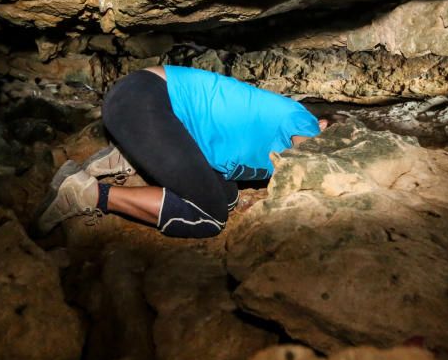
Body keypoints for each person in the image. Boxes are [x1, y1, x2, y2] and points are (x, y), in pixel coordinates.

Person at [35, 65, 328, 238]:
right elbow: (306, 163)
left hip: (140, 99)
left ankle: (131, 156)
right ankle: (87, 193)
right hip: (146, 103)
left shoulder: (283, 130)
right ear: (324, 123)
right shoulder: (306, 120)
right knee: (210, 217)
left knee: (226, 199)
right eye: (335, 137)